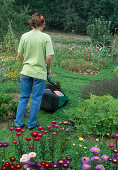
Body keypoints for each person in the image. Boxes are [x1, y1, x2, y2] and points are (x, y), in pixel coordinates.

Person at [14, 13, 54, 130]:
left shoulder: (24, 36)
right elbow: (49, 58)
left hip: (26, 71)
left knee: (23, 97)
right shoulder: (46, 38)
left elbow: (19, 54)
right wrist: (48, 69)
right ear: (43, 24)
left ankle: (18, 123)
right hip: (39, 73)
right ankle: (31, 124)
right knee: (36, 99)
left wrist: (25, 63)